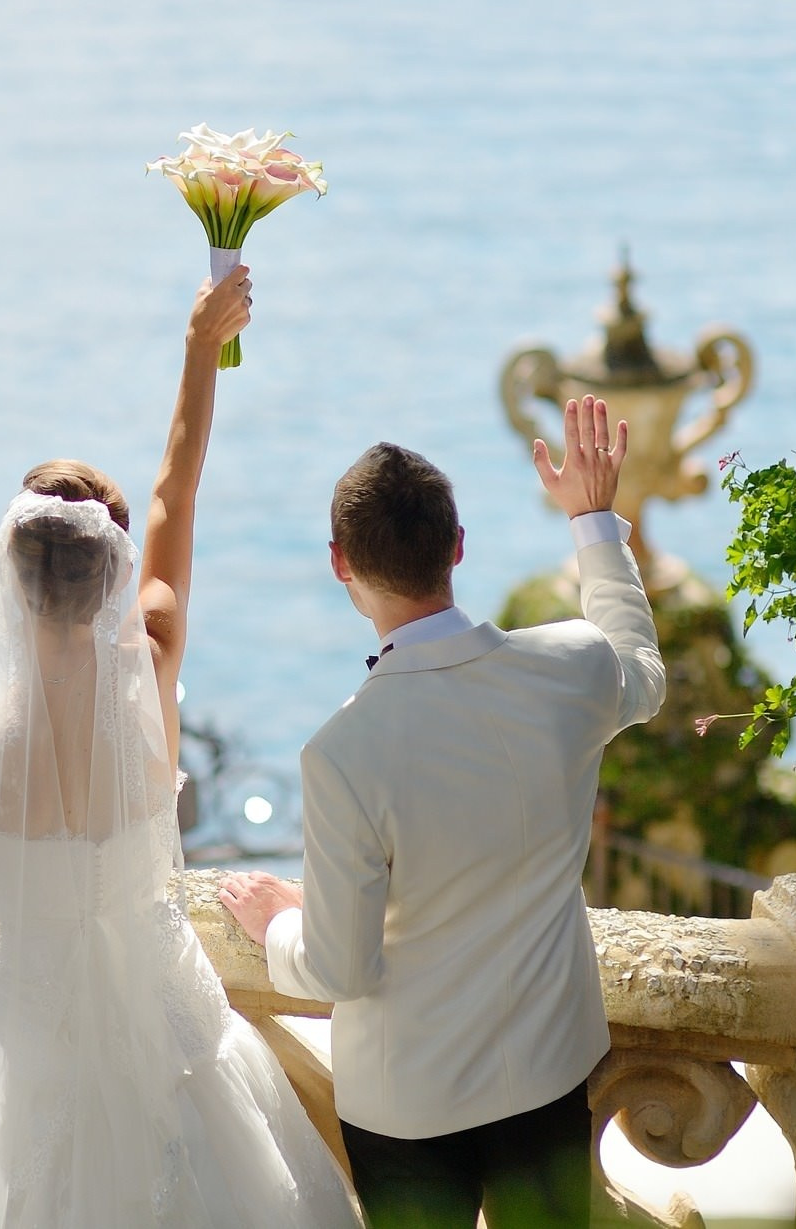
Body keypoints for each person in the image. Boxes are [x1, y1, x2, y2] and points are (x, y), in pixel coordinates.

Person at [0, 269, 359, 1229]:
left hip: (37, 1045)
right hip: (167, 1031)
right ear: (110, 572)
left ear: (11, 584)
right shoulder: (150, 666)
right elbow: (176, 492)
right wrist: (202, 350)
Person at [221, 396, 666, 1229]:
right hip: (548, 1072)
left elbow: (340, 969)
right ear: (457, 547)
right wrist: (595, 522)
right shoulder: (571, 665)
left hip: (407, 1106)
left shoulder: (342, 752)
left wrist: (280, 926)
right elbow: (642, 667)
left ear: (338, 563)